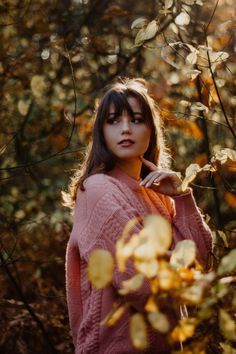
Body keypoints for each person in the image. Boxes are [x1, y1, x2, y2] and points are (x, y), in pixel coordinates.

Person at [63, 78, 212, 354]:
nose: (126, 129)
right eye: (113, 121)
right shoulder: (98, 190)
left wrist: (181, 196)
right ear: (102, 132)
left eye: (136, 119)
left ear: (151, 129)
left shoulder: (157, 194)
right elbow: (142, 283)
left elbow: (201, 262)